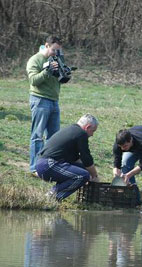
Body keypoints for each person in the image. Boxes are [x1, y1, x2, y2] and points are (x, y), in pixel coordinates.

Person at [35, 114, 99, 200]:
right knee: (82, 176)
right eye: (93, 131)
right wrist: (94, 175)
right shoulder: (81, 134)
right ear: (87, 127)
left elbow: (78, 160)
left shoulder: (72, 130)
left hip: (43, 164)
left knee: (84, 171)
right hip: (48, 165)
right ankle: (51, 196)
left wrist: (90, 172)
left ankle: (53, 195)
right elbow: (86, 158)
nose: (92, 135)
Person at [26, 35, 64, 175]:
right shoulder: (35, 60)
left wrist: (64, 73)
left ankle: (48, 166)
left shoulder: (56, 59)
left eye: (58, 51)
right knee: (37, 135)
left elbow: (58, 80)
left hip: (54, 101)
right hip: (40, 100)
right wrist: (47, 70)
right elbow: (34, 80)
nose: (56, 53)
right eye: (54, 50)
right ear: (46, 45)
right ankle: (35, 167)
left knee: (54, 137)